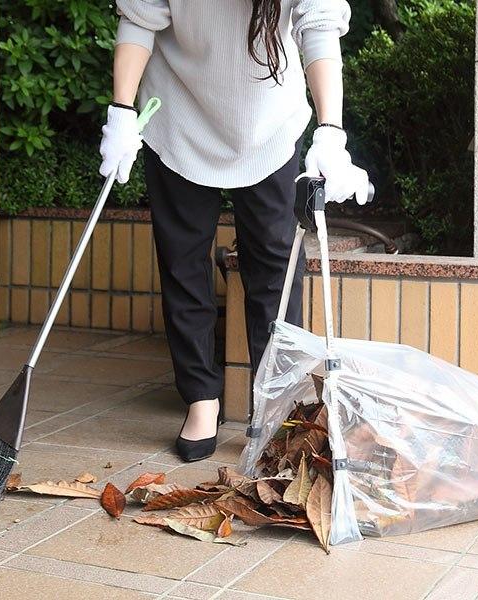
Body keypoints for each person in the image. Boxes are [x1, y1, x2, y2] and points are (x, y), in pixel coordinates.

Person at [99, 0, 370, 463]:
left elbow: (319, 27)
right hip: (179, 112)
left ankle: (279, 407)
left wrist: (331, 131)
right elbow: (139, 21)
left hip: (269, 121)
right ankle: (201, 399)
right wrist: (121, 111)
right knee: (182, 259)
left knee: (275, 264)